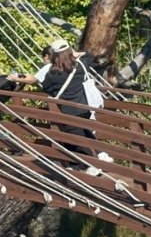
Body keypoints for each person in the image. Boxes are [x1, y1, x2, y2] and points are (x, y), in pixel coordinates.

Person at [8, 39, 103, 173]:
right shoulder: (81, 65)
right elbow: (89, 55)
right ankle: (90, 159)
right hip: (85, 107)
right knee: (82, 133)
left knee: (74, 138)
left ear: (54, 55)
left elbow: (47, 88)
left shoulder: (53, 73)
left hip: (68, 111)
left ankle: (90, 166)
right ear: (70, 51)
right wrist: (76, 53)